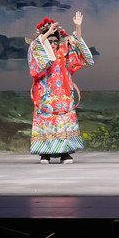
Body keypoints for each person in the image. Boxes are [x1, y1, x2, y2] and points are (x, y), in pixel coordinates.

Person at [28, 10, 94, 164]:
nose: (53, 43)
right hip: (45, 93)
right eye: (49, 40)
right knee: (46, 123)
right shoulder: (39, 49)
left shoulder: (64, 51)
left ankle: (65, 153)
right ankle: (45, 153)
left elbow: (80, 50)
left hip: (63, 93)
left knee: (64, 122)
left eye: (55, 40)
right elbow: (35, 48)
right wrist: (46, 34)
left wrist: (78, 28)